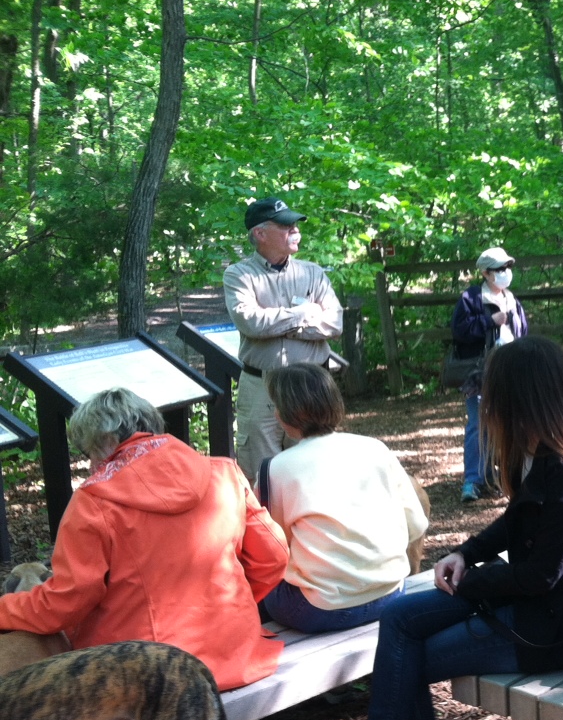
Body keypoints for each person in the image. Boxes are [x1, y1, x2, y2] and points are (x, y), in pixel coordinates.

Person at [334, 337, 563, 720]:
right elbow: (516, 522)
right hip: (535, 605)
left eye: (494, 394)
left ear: (523, 397)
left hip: (555, 628)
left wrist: (471, 582)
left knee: (407, 660)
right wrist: (465, 553)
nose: (487, 405)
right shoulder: (544, 452)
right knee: (399, 619)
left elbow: (542, 575)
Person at [0, 388, 288, 692]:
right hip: (236, 655)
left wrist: (5, 609)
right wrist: (227, 606)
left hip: (144, 676)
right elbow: (274, 557)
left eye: (88, 452)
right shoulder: (224, 472)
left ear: (104, 442)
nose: (91, 463)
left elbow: (65, 602)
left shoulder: (92, 502)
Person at [259, 364, 429, 633]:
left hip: (319, 609)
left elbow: (272, 547)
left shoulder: (275, 469)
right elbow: (416, 525)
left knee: (260, 588)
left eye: (276, 406)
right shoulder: (376, 448)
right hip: (390, 594)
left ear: (287, 414)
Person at [224, 197, 343, 482]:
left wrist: (283, 325)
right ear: (260, 233)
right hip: (261, 386)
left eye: (296, 226)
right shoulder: (239, 275)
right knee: (261, 472)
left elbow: (334, 323)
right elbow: (251, 322)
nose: (295, 231)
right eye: (286, 226)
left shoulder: (312, 272)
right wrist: (303, 314)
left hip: (311, 384)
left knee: (314, 470)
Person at [451, 247, 528, 503]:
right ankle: (473, 481)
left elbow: (522, 332)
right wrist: (489, 321)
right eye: (499, 269)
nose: (506, 272)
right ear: (485, 273)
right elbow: (459, 331)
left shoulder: (512, 299)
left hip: (511, 370)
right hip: (480, 373)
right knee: (478, 425)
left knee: (512, 424)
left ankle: (508, 477)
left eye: (507, 267)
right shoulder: (471, 298)